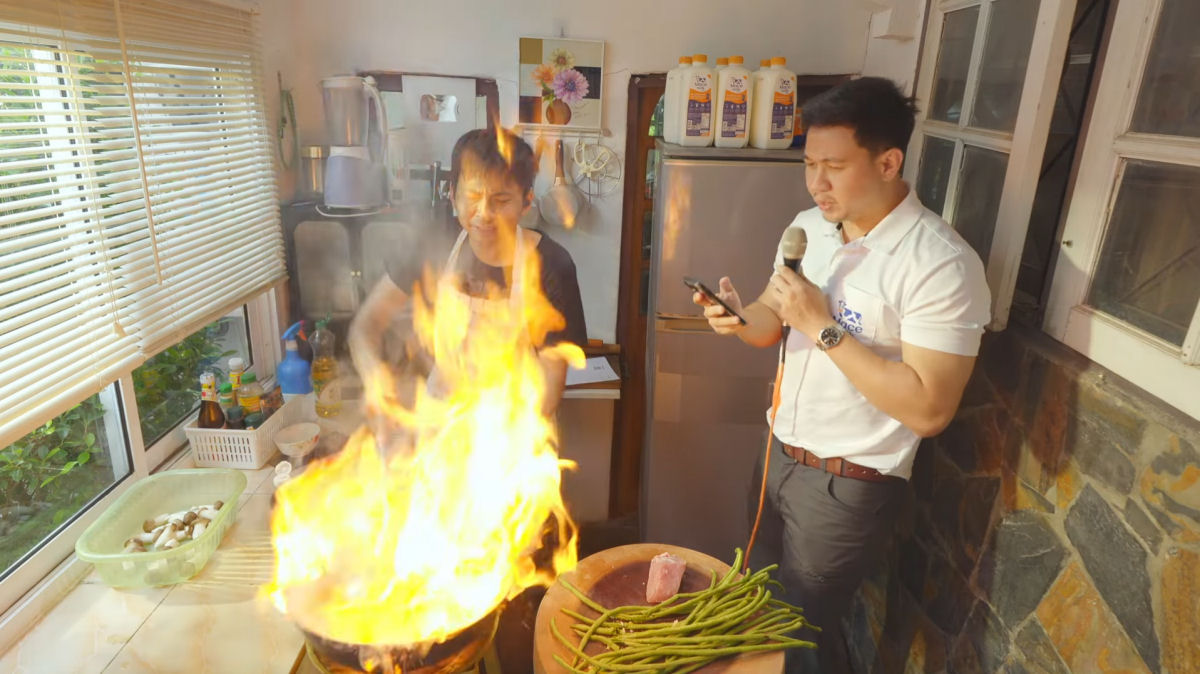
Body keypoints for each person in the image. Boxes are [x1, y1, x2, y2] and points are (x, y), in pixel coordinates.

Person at [695, 77, 991, 673]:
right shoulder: (809, 228)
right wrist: (734, 317)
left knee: (798, 635)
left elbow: (929, 409)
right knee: (753, 610)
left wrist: (824, 326)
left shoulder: (940, 264)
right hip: (777, 454)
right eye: (808, 164)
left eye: (833, 166)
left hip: (846, 484)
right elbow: (771, 321)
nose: (816, 183)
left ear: (888, 161)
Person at [350, 128, 587, 423]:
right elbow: (366, 324)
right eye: (473, 196)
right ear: (452, 195)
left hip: (516, 434)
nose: (483, 213)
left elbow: (551, 384)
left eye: (501, 200)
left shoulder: (552, 265)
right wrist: (377, 378)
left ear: (526, 202)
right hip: (442, 426)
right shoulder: (434, 244)